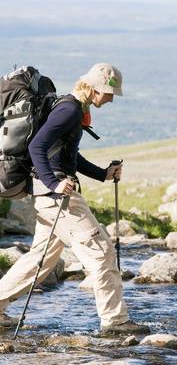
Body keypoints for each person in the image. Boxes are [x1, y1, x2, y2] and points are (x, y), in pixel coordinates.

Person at [0, 63, 149, 334]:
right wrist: (54, 183)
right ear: (93, 89)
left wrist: (103, 174)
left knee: (40, 259)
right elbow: (37, 147)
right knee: (102, 253)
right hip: (58, 198)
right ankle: (116, 322)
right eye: (108, 93)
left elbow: (68, 155)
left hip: (49, 195)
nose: (111, 99)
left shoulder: (71, 107)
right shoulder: (69, 110)